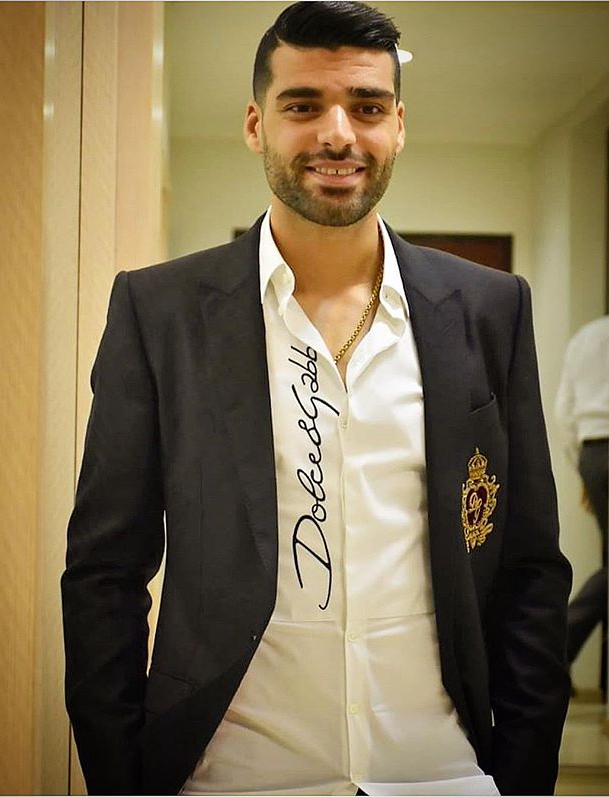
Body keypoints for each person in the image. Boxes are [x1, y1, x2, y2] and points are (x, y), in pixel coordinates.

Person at [61, 3, 572, 795]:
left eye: (367, 107)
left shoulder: (488, 309)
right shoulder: (159, 313)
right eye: (303, 105)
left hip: (439, 770)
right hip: (233, 773)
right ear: (256, 124)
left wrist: (523, 775)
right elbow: (105, 570)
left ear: (398, 125)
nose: (338, 134)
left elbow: (529, 567)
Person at [555, 315, 609, 675]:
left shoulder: (586, 337)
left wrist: (584, 470)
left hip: (592, 451)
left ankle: (555, 649)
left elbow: (563, 414)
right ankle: (556, 648)